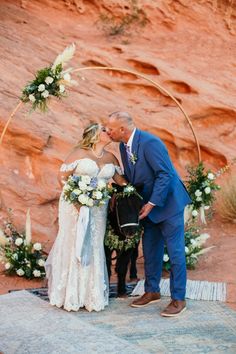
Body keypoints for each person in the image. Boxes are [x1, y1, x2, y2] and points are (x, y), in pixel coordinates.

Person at [106, 112, 192, 317]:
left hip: (168, 205)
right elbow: (134, 177)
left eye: (110, 128)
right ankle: (152, 291)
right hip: (147, 209)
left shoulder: (150, 142)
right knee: (151, 250)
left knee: (176, 252)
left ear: (122, 130)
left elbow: (165, 174)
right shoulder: (122, 146)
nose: (107, 131)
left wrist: (152, 203)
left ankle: (178, 298)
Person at [45, 122, 126, 312]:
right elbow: (62, 177)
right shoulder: (79, 153)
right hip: (74, 207)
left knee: (94, 244)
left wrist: (135, 188)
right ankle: (71, 295)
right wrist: (77, 200)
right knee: (74, 242)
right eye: (105, 130)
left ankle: (92, 295)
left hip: (98, 209)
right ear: (96, 135)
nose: (109, 132)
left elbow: (121, 182)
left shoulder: (111, 157)